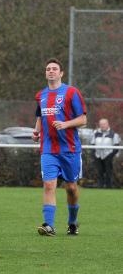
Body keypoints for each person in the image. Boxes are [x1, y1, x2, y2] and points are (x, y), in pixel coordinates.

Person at [32, 58, 87, 236]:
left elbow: (83, 120)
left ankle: (72, 222)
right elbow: (40, 116)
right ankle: (49, 225)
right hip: (48, 149)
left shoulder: (72, 93)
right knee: (49, 185)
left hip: (69, 149)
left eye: (55, 69)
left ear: (61, 73)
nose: (51, 71)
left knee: (71, 187)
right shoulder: (41, 95)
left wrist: (66, 124)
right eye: (48, 69)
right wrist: (36, 131)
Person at [91, 118, 120, 188]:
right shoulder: (95, 134)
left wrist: (111, 156)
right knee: (99, 172)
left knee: (108, 172)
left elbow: (116, 147)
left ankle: (109, 186)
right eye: (101, 124)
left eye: (104, 124)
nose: (102, 125)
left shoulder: (113, 134)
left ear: (108, 124)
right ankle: (100, 186)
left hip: (108, 156)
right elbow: (92, 145)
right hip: (98, 156)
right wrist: (94, 155)